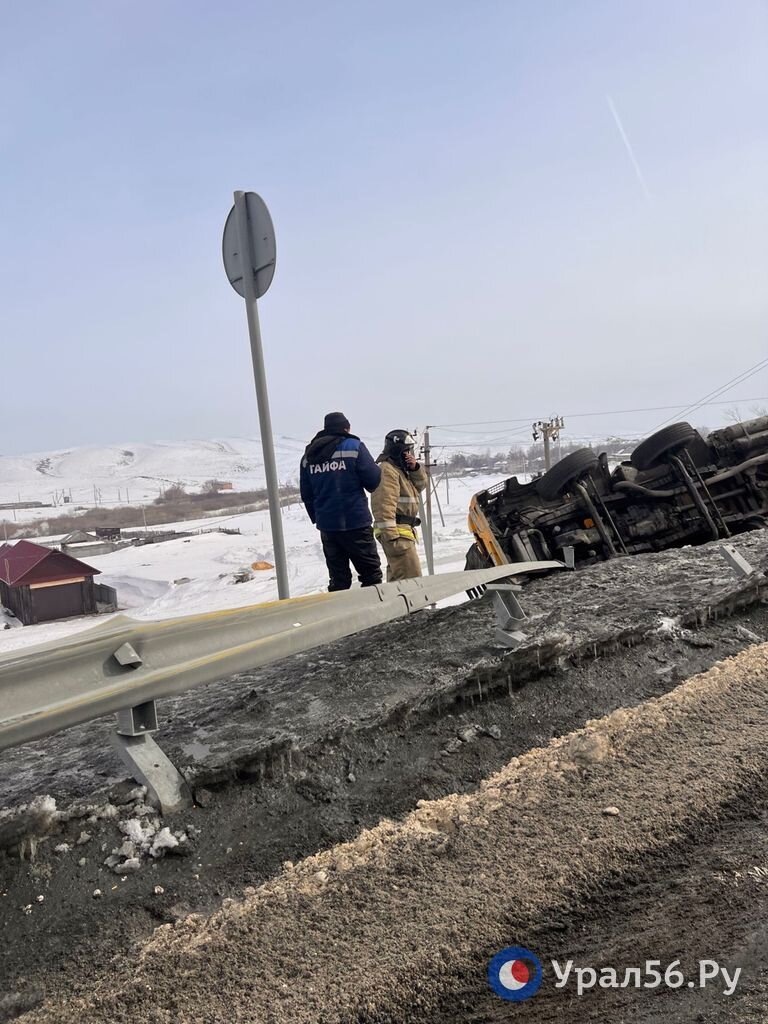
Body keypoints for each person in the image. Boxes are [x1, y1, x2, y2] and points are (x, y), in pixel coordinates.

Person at [300, 412, 383, 591]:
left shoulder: (309, 455)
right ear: (346, 428)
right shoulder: (354, 447)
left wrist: (319, 518)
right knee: (371, 576)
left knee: (338, 580)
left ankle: (340, 615)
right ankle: (376, 616)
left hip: (328, 527)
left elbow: (306, 493)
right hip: (356, 522)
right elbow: (373, 480)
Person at [371, 429, 428, 581]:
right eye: (406, 451)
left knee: (398, 582)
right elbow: (383, 505)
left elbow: (421, 485)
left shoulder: (401, 470)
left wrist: (415, 468)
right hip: (397, 534)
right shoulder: (387, 470)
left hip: (403, 532)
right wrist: (391, 538)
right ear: (398, 450)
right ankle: (416, 606)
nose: (409, 454)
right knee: (411, 581)